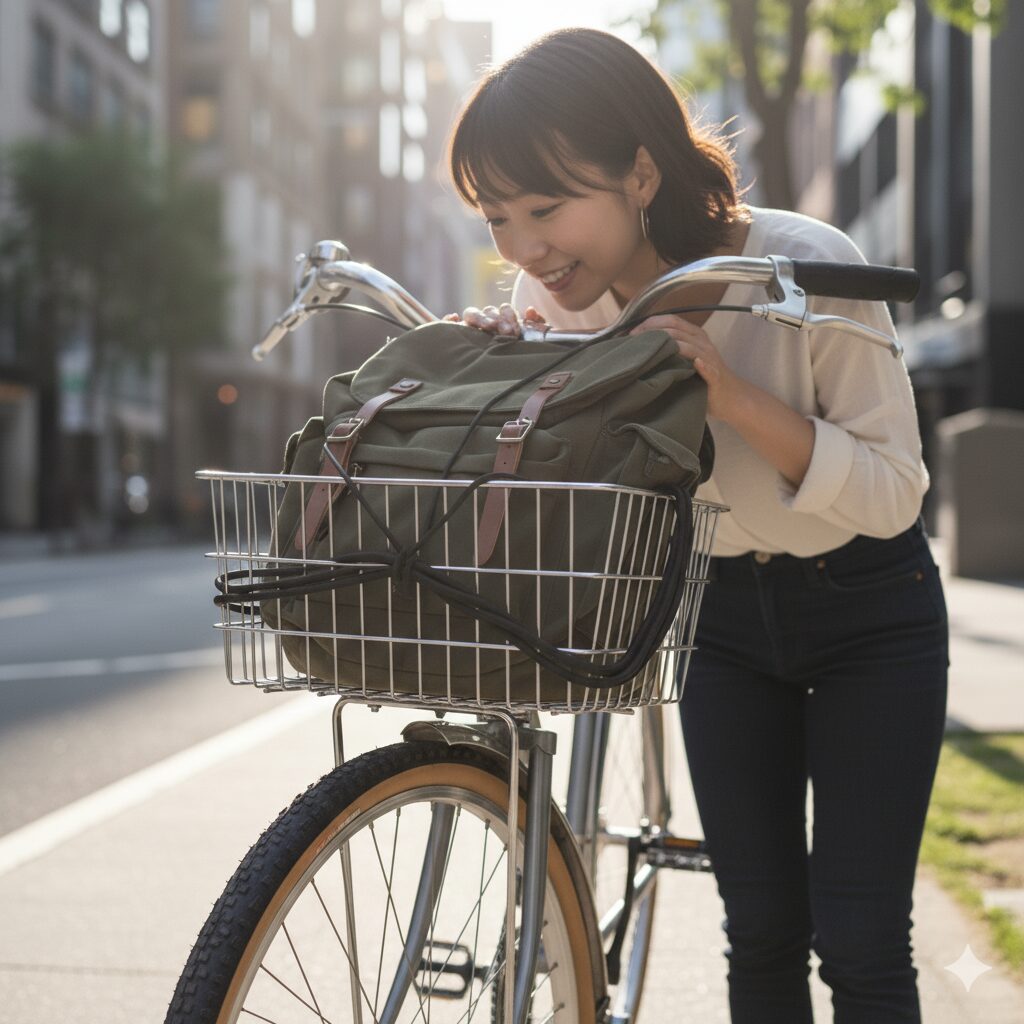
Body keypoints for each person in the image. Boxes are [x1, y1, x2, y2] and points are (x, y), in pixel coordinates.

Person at [443, 26, 949, 1024]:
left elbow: (894, 488)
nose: (526, 248)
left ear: (640, 171)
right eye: (497, 217)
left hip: (870, 613)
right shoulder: (550, 299)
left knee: (858, 937)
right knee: (757, 928)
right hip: (714, 619)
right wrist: (510, 383)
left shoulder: (808, 264)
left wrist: (726, 393)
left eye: (546, 207)